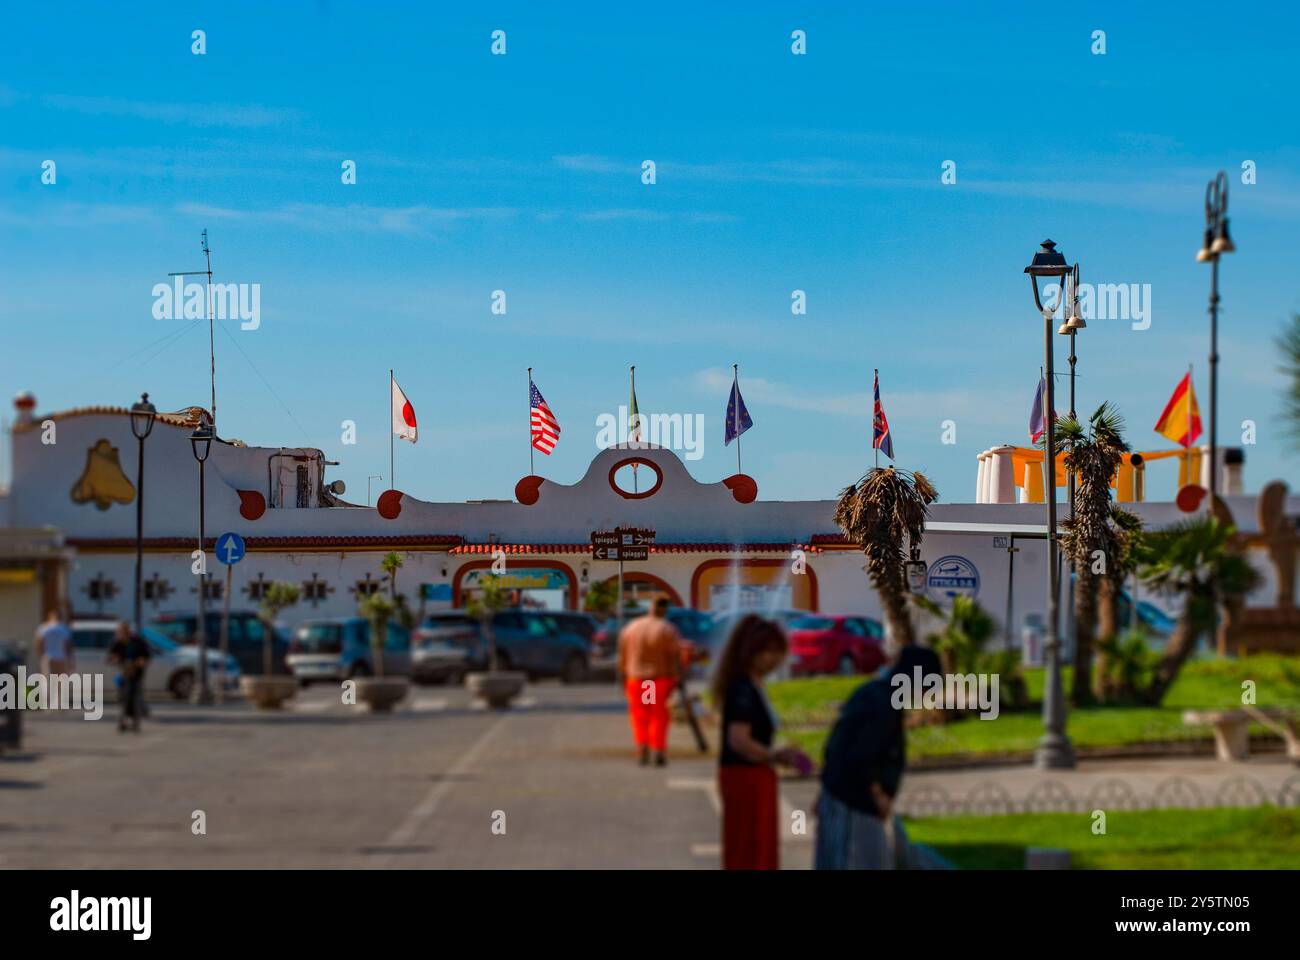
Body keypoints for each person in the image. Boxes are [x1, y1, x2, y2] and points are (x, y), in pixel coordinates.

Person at [814, 643, 943, 870]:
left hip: (844, 798)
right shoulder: (882, 704)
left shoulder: (875, 694)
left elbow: (837, 745)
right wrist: (878, 794)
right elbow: (861, 755)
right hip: (853, 802)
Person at [711, 614, 804, 870]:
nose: (774, 659)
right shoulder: (742, 688)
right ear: (751, 651)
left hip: (755, 775)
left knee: (759, 848)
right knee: (748, 849)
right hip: (745, 777)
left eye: (778, 651)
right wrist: (775, 755)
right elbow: (739, 740)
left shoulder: (751, 684)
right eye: (768, 651)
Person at [617, 596, 683, 767]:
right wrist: (679, 676)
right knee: (658, 716)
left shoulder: (631, 628)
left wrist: (623, 677)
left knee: (639, 716)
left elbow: (622, 656)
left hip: (636, 679)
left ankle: (642, 747)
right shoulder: (666, 629)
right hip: (655, 681)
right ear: (664, 609)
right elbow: (675, 655)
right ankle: (658, 749)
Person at [107, 621, 151, 733]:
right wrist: (114, 659)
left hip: (136, 673)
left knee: (134, 697)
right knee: (123, 698)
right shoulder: (117, 643)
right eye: (119, 633)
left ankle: (135, 722)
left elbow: (146, 655)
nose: (120, 635)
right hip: (124, 673)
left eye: (122, 632)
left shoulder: (137, 642)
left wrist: (141, 661)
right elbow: (110, 656)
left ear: (128, 632)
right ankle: (123, 721)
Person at [35, 609, 74, 675]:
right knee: (60, 681)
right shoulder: (64, 628)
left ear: (49, 617)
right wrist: (70, 659)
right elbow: (68, 645)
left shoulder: (44, 628)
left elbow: (39, 643)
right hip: (60, 657)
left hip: (48, 657)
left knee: (48, 680)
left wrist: (41, 656)